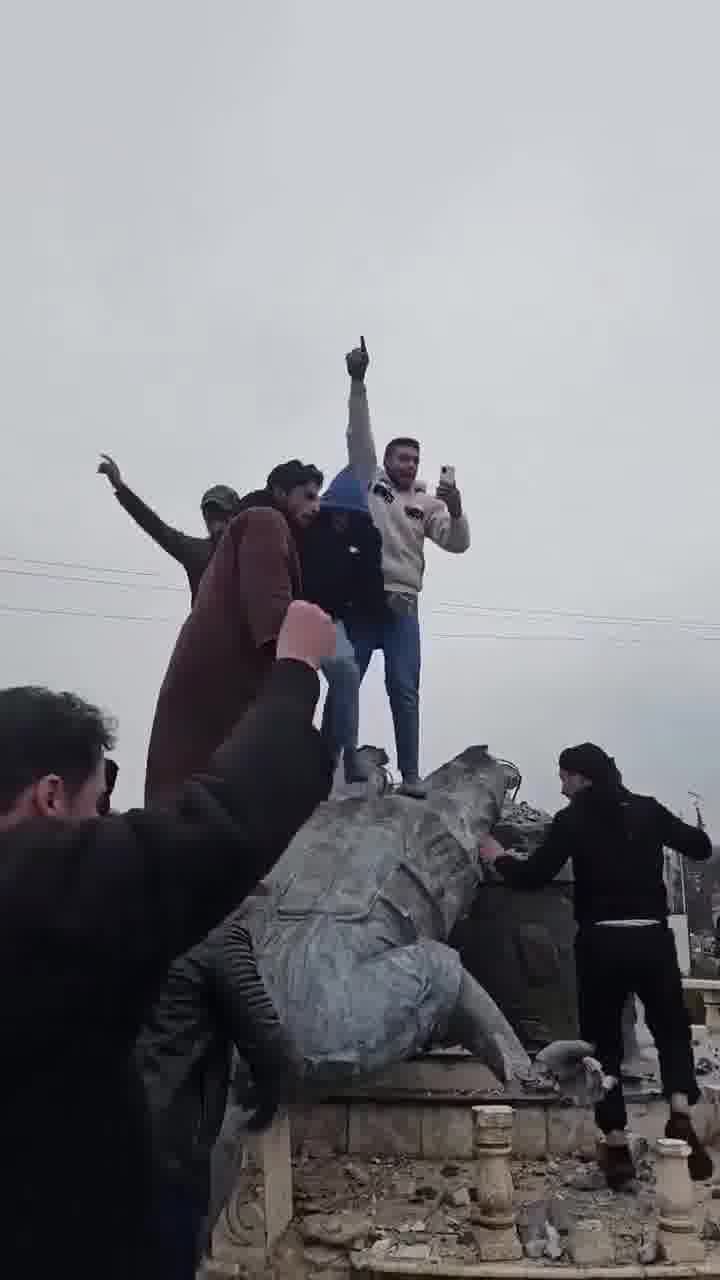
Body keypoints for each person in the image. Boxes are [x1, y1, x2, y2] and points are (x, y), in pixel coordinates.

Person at [0, 600, 335, 1278]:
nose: (107, 823)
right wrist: (296, 672)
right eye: (98, 807)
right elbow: (214, 826)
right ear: (51, 797)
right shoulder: (37, 885)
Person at [478, 742, 713, 1189]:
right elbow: (699, 846)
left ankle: (617, 1144)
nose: (562, 786)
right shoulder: (646, 809)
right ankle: (680, 1111)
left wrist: (497, 856)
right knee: (671, 1031)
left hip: (602, 941)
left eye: (565, 777)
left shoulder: (572, 821)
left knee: (602, 1048)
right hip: (651, 937)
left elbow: (534, 877)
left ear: (582, 778)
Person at [145, 460, 323, 810]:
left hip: (206, 713)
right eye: (308, 496)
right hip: (224, 706)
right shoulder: (264, 523)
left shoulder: (253, 537)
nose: (316, 507)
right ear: (280, 494)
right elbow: (276, 633)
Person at [137, 909, 302, 1279]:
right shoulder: (217, 936)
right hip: (167, 1152)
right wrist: (262, 1103)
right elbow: (274, 1051)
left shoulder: (106, 924)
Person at [344, 337, 470, 798]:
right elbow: (359, 437)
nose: (409, 463)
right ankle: (331, 765)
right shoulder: (371, 484)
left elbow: (456, 544)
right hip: (361, 603)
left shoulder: (427, 502)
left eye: (415, 458)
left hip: (403, 605)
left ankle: (412, 776)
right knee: (344, 680)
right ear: (387, 461)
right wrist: (358, 383)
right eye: (402, 457)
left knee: (404, 689)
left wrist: (455, 509)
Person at [299, 464, 385, 783]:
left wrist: (370, 550)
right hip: (298, 614)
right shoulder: (308, 529)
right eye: (337, 512)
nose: (342, 520)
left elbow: (371, 586)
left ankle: (346, 755)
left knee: (347, 674)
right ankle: (300, 758)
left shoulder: (365, 539)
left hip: (332, 621)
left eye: (349, 515)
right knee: (298, 688)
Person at [98, 453, 241, 603]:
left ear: (233, 515)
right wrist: (120, 487)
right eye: (210, 515)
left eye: (219, 514)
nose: (214, 521)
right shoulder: (198, 551)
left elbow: (155, 526)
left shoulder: (251, 549)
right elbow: (154, 525)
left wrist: (119, 486)